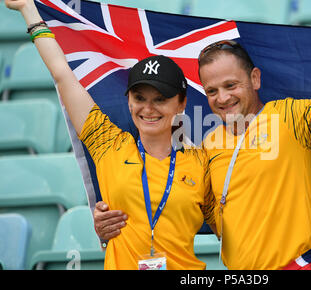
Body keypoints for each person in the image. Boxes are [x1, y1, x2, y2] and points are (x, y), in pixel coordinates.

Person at [96, 32, 311, 270]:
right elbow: (174, 203)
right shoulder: (206, 146)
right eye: (212, 90)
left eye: (231, 85)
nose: (222, 98)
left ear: (256, 79)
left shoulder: (293, 117)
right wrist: (109, 223)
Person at [5, 0, 217, 270]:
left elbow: (231, 224)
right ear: (128, 101)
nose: (148, 109)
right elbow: (63, 75)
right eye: (140, 98)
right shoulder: (108, 143)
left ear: (181, 103)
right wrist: (29, 10)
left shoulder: (202, 163)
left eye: (160, 99)